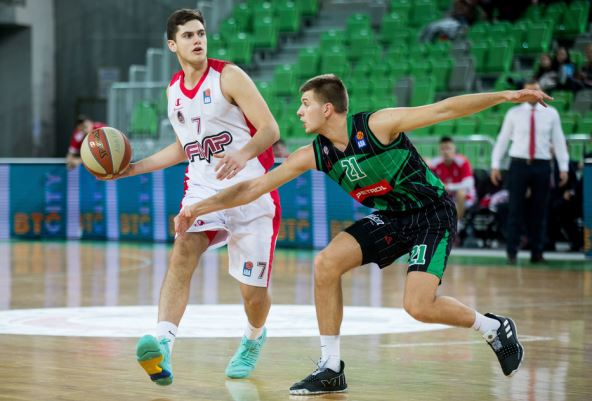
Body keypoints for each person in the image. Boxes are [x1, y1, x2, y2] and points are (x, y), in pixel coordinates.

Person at [175, 74, 550, 394]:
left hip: (432, 214)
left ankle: (493, 327)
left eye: (305, 104)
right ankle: (331, 367)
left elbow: (445, 109)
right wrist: (198, 207)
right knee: (326, 263)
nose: (299, 112)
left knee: (418, 306)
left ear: (327, 109)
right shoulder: (315, 153)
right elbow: (253, 188)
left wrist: (506, 96)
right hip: (392, 217)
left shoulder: (377, 126)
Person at [110, 9, 281, 385]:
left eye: (201, 33)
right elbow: (182, 147)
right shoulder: (173, 91)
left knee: (253, 295)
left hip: (250, 190)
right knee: (183, 250)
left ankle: (254, 337)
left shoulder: (229, 76)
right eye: (188, 35)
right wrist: (133, 168)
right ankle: (163, 344)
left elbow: (270, 129)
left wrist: (243, 154)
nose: (198, 40)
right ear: (172, 45)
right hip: (202, 189)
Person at [491, 79, 569, 264]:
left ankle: (537, 252)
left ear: (541, 91)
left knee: (540, 210)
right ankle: (511, 252)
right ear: (522, 93)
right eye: (529, 90)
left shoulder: (551, 113)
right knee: (515, 209)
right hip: (518, 164)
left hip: (542, 165)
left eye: (536, 90)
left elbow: (558, 140)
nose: (533, 93)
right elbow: (503, 139)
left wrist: (564, 167)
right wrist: (495, 164)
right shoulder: (513, 113)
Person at [430, 136, 476, 227]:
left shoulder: (462, 161)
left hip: (465, 197)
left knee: (461, 193)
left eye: (448, 148)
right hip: (446, 196)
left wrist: (449, 187)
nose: (446, 151)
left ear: (454, 149)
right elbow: (429, 182)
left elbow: (469, 183)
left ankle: (457, 223)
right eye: (443, 149)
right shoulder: (435, 164)